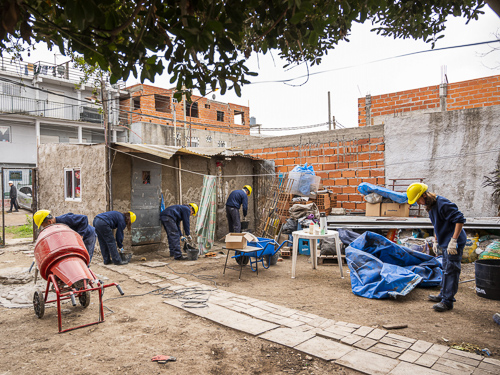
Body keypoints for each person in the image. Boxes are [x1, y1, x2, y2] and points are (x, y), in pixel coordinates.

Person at [407, 183, 466, 312]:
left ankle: (447, 302)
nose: (418, 203)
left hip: (453, 242)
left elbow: (459, 219)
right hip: (445, 241)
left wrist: (454, 240)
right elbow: (437, 224)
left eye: (418, 200)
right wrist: (436, 239)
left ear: (424, 194)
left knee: (451, 270)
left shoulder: (443, 203)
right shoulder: (431, 206)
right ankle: (443, 295)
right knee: (445, 268)